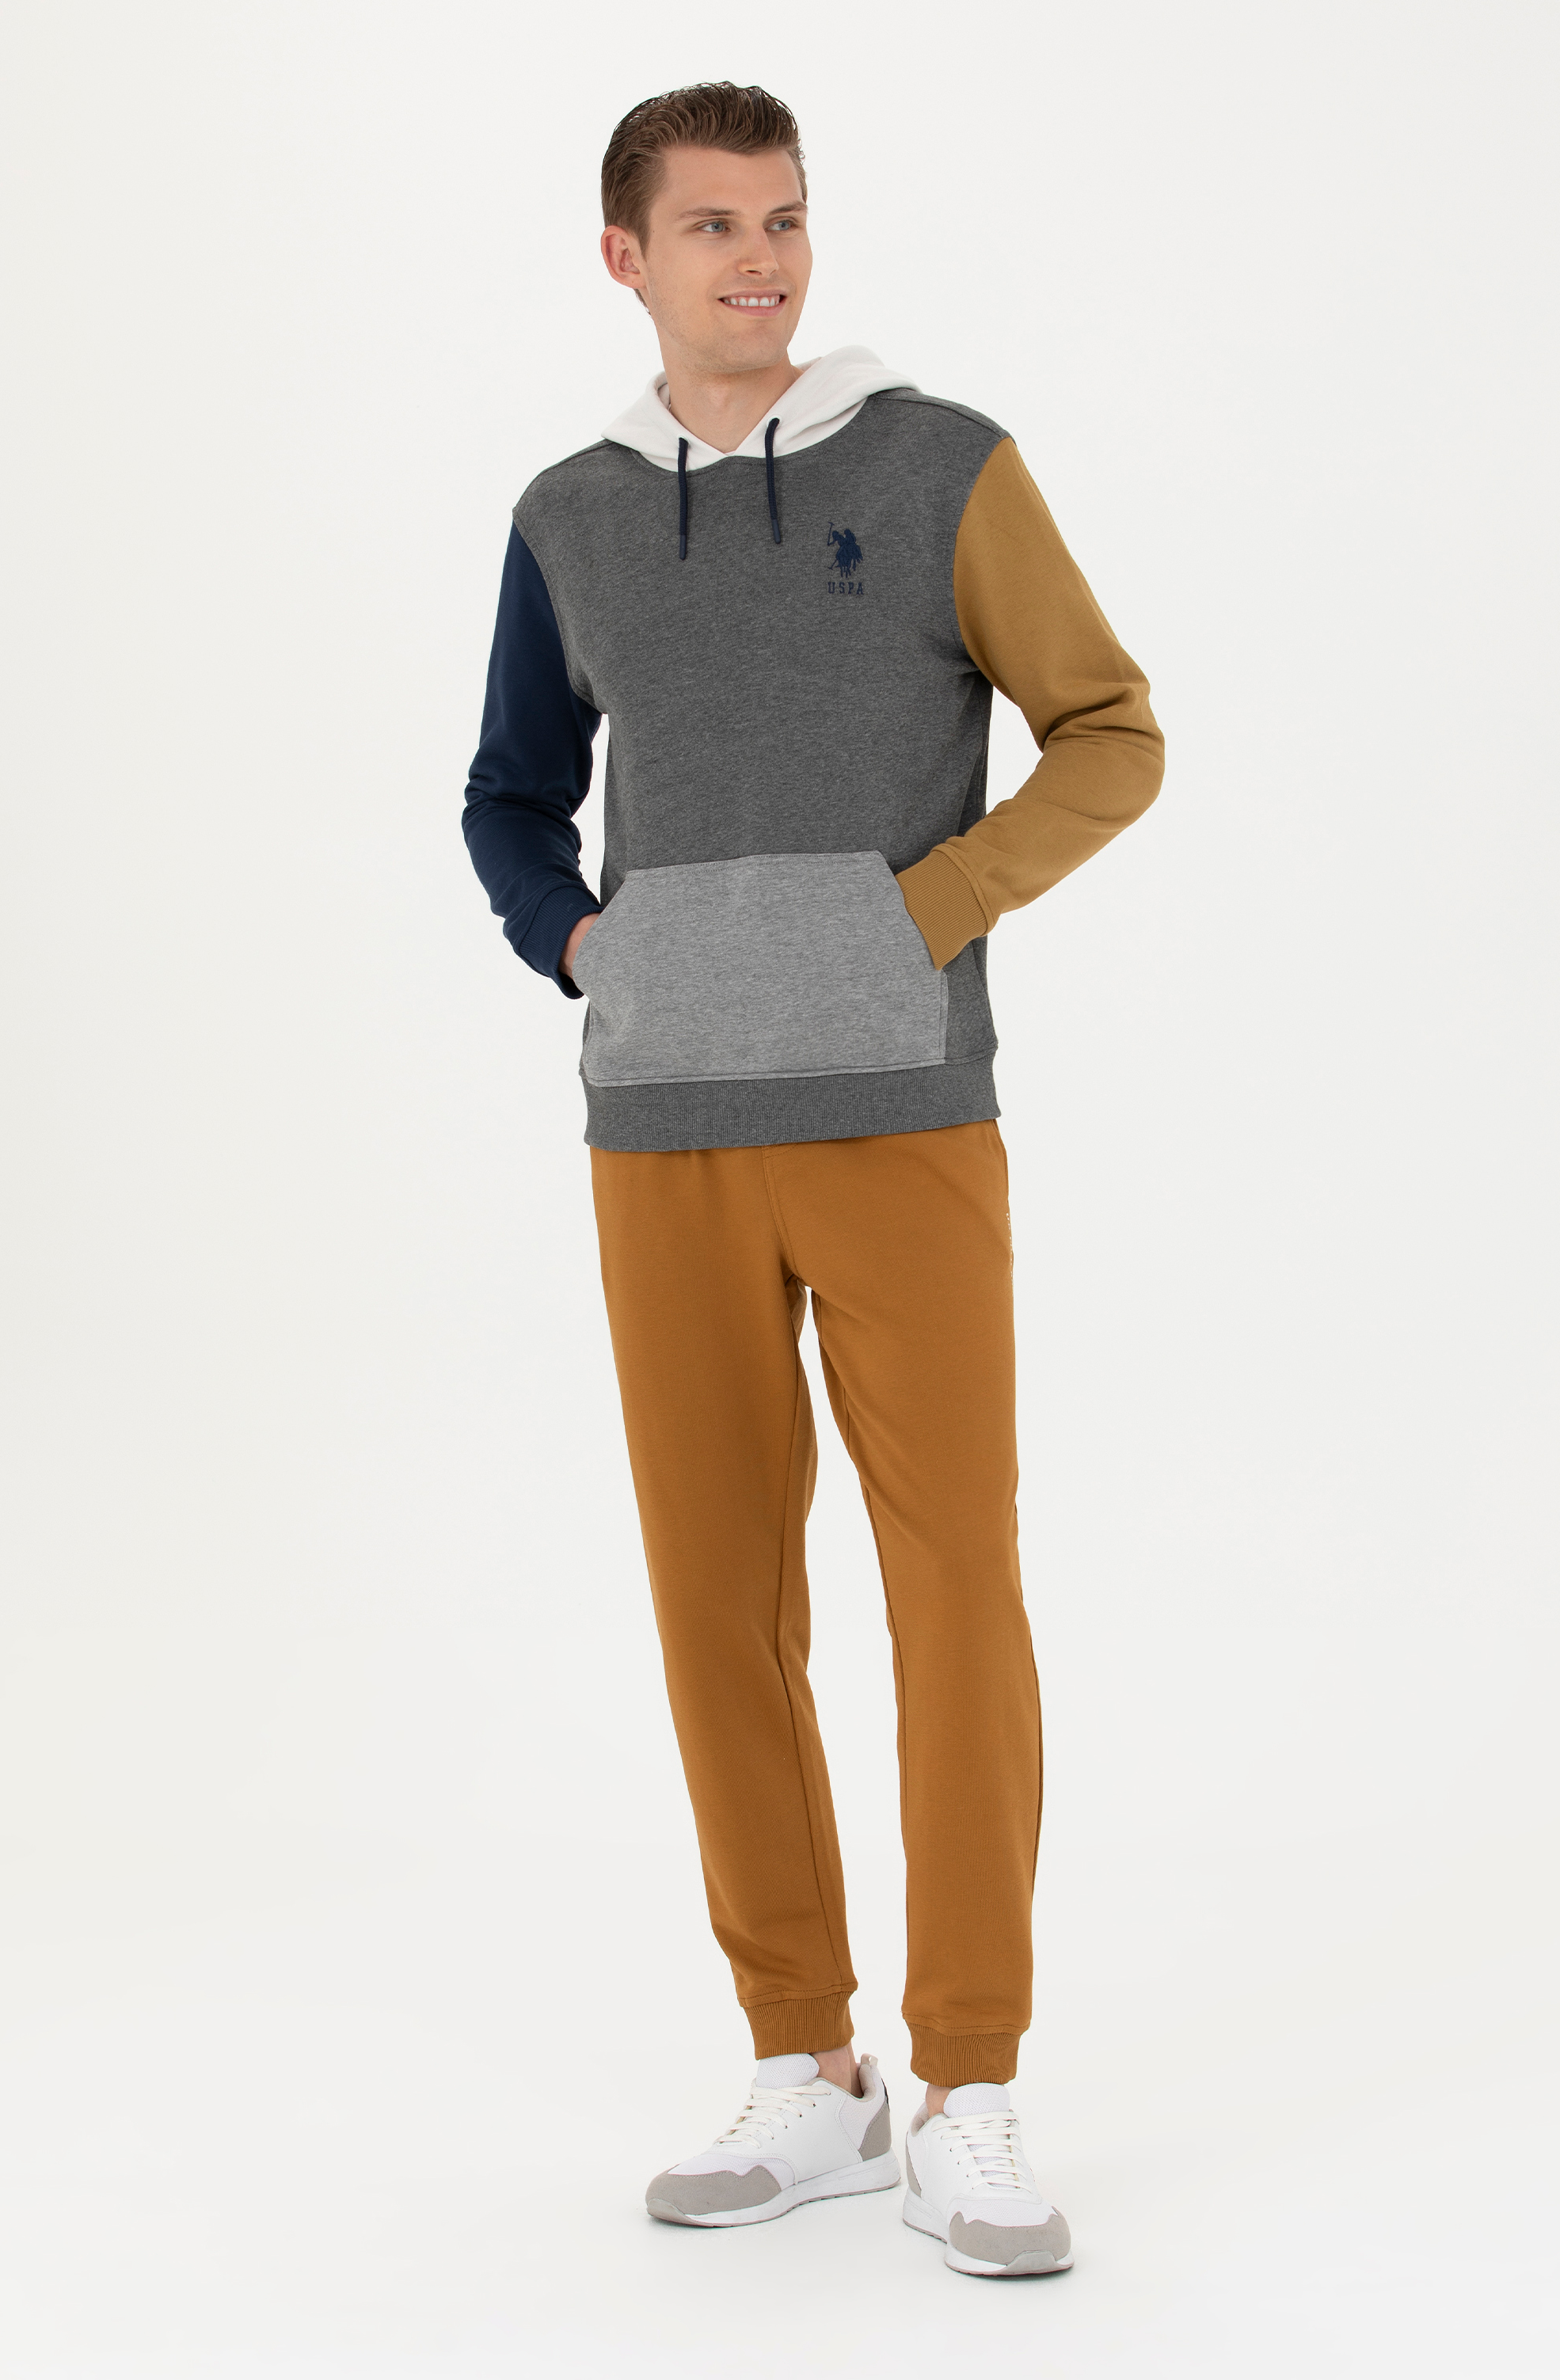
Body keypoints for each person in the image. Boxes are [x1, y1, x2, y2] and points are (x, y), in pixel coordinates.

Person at [462, 81, 1162, 2279]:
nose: (758, 260)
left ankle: (971, 2085)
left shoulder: (941, 464)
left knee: (953, 1589)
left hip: (899, 1114)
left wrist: (919, 914)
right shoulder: (570, 516)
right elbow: (505, 795)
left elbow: (1111, 731)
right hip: (663, 1129)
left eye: (781, 220)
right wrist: (582, 944)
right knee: (718, 1603)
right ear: (627, 257)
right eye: (712, 227)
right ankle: (806, 2064)